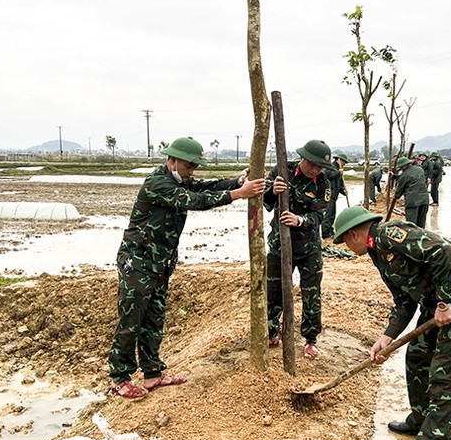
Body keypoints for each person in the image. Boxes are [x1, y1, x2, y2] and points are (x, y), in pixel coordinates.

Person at [332, 206, 451, 440]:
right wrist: (387, 336)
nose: (346, 248)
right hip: (438, 305)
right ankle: (420, 419)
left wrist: (445, 302)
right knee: (417, 356)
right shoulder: (378, 254)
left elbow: (441, 251)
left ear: (355, 234)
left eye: (344, 241)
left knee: (445, 375)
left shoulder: (391, 236)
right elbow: (404, 301)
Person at [108, 137, 265, 399]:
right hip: (138, 262)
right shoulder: (158, 184)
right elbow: (195, 200)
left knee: (154, 319)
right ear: (172, 160)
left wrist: (238, 182)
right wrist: (239, 194)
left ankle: (153, 374)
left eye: (194, 167)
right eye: (189, 166)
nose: (192, 171)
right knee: (131, 320)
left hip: (160, 263)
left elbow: (206, 187)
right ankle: (120, 378)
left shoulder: (179, 180)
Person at [264, 140, 331, 359]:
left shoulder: (323, 183)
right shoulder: (282, 171)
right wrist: (273, 191)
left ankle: (310, 340)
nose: (316, 170)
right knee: (274, 290)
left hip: (308, 248)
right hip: (279, 245)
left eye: (320, 167)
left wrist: (299, 220)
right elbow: (264, 201)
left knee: (312, 294)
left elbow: (319, 216)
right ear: (302, 158)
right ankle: (271, 330)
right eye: (313, 164)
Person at [394, 156, 429, 227]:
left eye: (401, 167)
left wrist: (395, 197)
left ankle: (413, 238)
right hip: (424, 200)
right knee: (421, 225)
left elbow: (399, 192)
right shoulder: (419, 169)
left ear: (404, 166)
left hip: (412, 202)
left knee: (411, 225)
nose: (401, 169)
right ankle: (421, 237)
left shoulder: (404, 175)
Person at [321, 151, 349, 239]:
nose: (344, 164)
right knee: (328, 215)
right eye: (344, 162)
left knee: (332, 214)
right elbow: (325, 175)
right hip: (328, 196)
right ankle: (326, 234)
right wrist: (338, 172)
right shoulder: (331, 167)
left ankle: (330, 231)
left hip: (334, 196)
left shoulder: (339, 170)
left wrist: (343, 191)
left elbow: (339, 184)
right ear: (339, 160)